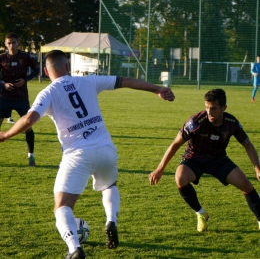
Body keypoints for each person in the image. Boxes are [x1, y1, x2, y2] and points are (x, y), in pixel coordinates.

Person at [0, 50, 175, 259]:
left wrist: (6, 134)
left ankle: (74, 249)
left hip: (77, 154)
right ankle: (111, 220)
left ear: (46, 71)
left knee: (62, 206)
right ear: (68, 67)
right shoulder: (89, 81)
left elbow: (29, 119)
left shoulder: (48, 92)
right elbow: (126, 80)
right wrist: (157, 89)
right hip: (106, 149)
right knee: (109, 186)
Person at [149, 89, 260, 233]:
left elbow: (247, 144)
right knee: (180, 177)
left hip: (218, 160)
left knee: (246, 185)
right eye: (207, 107)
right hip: (194, 158)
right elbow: (176, 143)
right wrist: (160, 169)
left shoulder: (231, 123)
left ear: (223, 108)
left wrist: (257, 167)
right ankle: (200, 213)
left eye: (213, 108)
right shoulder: (196, 121)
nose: (209, 112)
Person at [0, 32, 39, 166]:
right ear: (5, 44)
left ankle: (31, 156)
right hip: (4, 96)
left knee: (28, 126)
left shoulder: (25, 56)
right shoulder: (1, 58)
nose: (11, 45)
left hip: (21, 97)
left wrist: (25, 80)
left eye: (13, 42)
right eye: (8, 43)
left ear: (18, 43)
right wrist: (3, 84)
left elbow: (37, 70)